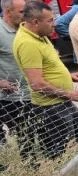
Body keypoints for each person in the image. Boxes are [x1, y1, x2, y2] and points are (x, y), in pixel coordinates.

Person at [14, 0, 78, 158]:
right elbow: (37, 84)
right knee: (61, 153)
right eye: (50, 20)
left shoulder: (39, 35)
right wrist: (69, 94)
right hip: (51, 108)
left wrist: (68, 75)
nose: (54, 23)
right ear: (36, 22)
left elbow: (47, 66)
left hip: (61, 103)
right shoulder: (27, 43)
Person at [0, 0, 32, 158]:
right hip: (6, 99)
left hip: (28, 95)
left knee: (27, 138)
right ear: (7, 12)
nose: (25, 15)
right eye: (21, 12)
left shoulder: (25, 30)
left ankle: (32, 173)